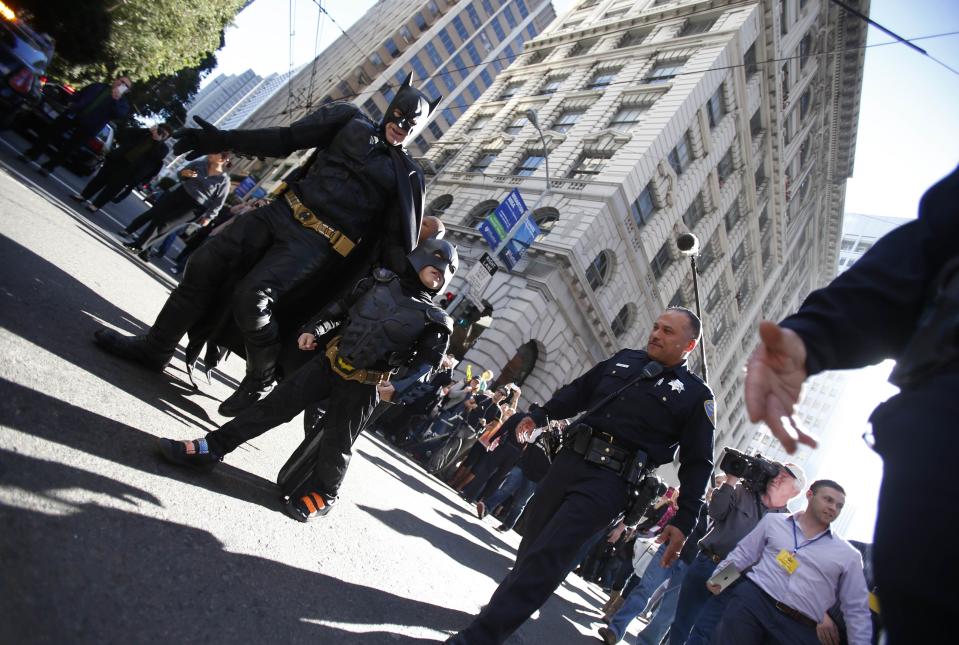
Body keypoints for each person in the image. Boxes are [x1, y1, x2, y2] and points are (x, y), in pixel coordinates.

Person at [92, 73, 441, 417]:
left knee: (253, 297)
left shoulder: (406, 176)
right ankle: (156, 348)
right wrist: (221, 138)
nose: (403, 126)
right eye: (400, 116)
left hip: (319, 242)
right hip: (280, 212)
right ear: (392, 108)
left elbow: (395, 245)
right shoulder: (348, 119)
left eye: (412, 125)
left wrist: (411, 290)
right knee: (204, 264)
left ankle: (261, 373)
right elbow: (284, 139)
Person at [742, 166, 959, 643]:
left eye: (838, 502)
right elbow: (917, 260)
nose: (834, 507)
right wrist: (802, 342)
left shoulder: (845, 558)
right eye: (831, 498)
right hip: (940, 446)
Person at [446, 307, 715, 645]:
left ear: (688, 346)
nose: (656, 334)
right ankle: (502, 619)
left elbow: (698, 462)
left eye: (668, 332)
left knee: (548, 556)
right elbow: (579, 391)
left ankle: (479, 637)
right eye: (656, 326)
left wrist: (686, 517)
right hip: (569, 461)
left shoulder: (696, 395)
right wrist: (542, 414)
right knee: (532, 547)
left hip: (611, 483)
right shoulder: (626, 360)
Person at [156, 238, 458, 521]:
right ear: (420, 256)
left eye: (449, 271)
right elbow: (339, 310)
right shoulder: (378, 281)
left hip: (365, 385)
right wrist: (315, 329)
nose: (442, 272)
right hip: (328, 362)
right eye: (438, 262)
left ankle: (325, 494)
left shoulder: (436, 320)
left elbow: (425, 367)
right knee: (271, 407)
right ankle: (214, 447)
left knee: (337, 442)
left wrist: (400, 387)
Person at [709, 480, 872, 645]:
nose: (833, 508)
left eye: (839, 506)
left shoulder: (849, 555)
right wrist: (720, 580)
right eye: (828, 500)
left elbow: (855, 608)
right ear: (809, 495)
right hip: (753, 603)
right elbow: (745, 554)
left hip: (798, 628)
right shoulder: (773, 521)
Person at [670, 463, 804, 645]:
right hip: (708, 560)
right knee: (681, 623)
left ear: (794, 492)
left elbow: (785, 565)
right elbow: (715, 511)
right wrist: (731, 480)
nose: (777, 477)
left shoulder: (788, 525)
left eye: (785, 477)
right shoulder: (743, 491)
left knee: (703, 631)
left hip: (733, 574)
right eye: (777, 473)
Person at [599, 504, 709, 645]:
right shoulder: (700, 502)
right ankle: (615, 630)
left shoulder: (732, 508)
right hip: (669, 547)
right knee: (644, 589)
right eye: (717, 481)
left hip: (691, 562)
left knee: (668, 610)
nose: (719, 483)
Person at [121, 152, 231, 258]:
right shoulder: (199, 164)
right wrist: (186, 173)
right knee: (157, 218)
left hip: (194, 208)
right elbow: (180, 174)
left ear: (222, 159)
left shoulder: (224, 180)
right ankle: (140, 246)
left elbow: (219, 202)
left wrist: (208, 217)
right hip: (180, 194)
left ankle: (139, 247)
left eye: (215, 153)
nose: (210, 154)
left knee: (166, 224)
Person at [20, 76, 131, 175]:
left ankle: (49, 167)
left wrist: (115, 99)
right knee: (50, 133)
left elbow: (119, 114)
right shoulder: (98, 86)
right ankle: (31, 154)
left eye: (126, 85)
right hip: (74, 115)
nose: (122, 85)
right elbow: (81, 93)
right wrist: (72, 102)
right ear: (116, 80)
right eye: (122, 81)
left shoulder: (122, 103)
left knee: (69, 149)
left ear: (127, 90)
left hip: (90, 127)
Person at [71, 123, 173, 212]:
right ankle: (83, 196)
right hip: (117, 160)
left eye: (164, 135)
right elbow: (125, 133)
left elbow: (156, 157)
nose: (161, 134)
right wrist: (147, 130)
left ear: (167, 138)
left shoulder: (163, 149)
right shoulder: (143, 134)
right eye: (160, 131)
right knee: (99, 179)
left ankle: (95, 205)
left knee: (112, 189)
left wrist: (156, 141)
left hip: (131, 170)